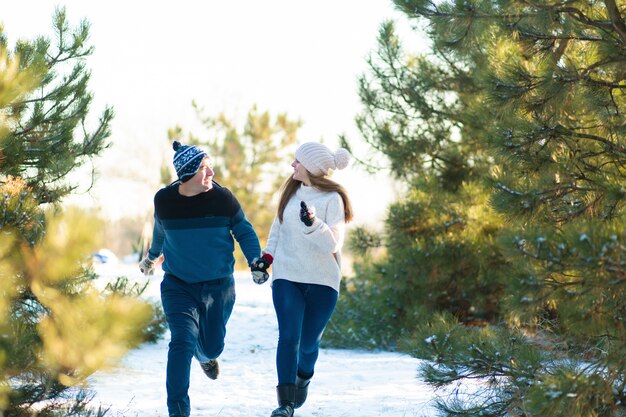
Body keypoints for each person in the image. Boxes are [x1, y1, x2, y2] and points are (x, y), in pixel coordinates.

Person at [139, 141, 264, 417]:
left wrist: (255, 261)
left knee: (212, 345)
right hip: (178, 285)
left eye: (210, 167)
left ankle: (206, 357)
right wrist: (152, 257)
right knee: (181, 341)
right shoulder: (165, 200)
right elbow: (161, 230)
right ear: (187, 175)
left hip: (219, 286)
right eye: (205, 168)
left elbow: (244, 230)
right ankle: (178, 411)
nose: (212, 173)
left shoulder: (223, 199)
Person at [253, 142, 353, 417]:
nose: (292, 165)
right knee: (288, 337)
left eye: (297, 162)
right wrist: (266, 259)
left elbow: (333, 243)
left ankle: (303, 377)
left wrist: (313, 224)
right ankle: (285, 404)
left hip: (323, 281)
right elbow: (277, 232)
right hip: (288, 276)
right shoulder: (291, 192)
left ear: (310, 167)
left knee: (308, 345)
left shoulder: (333, 199)